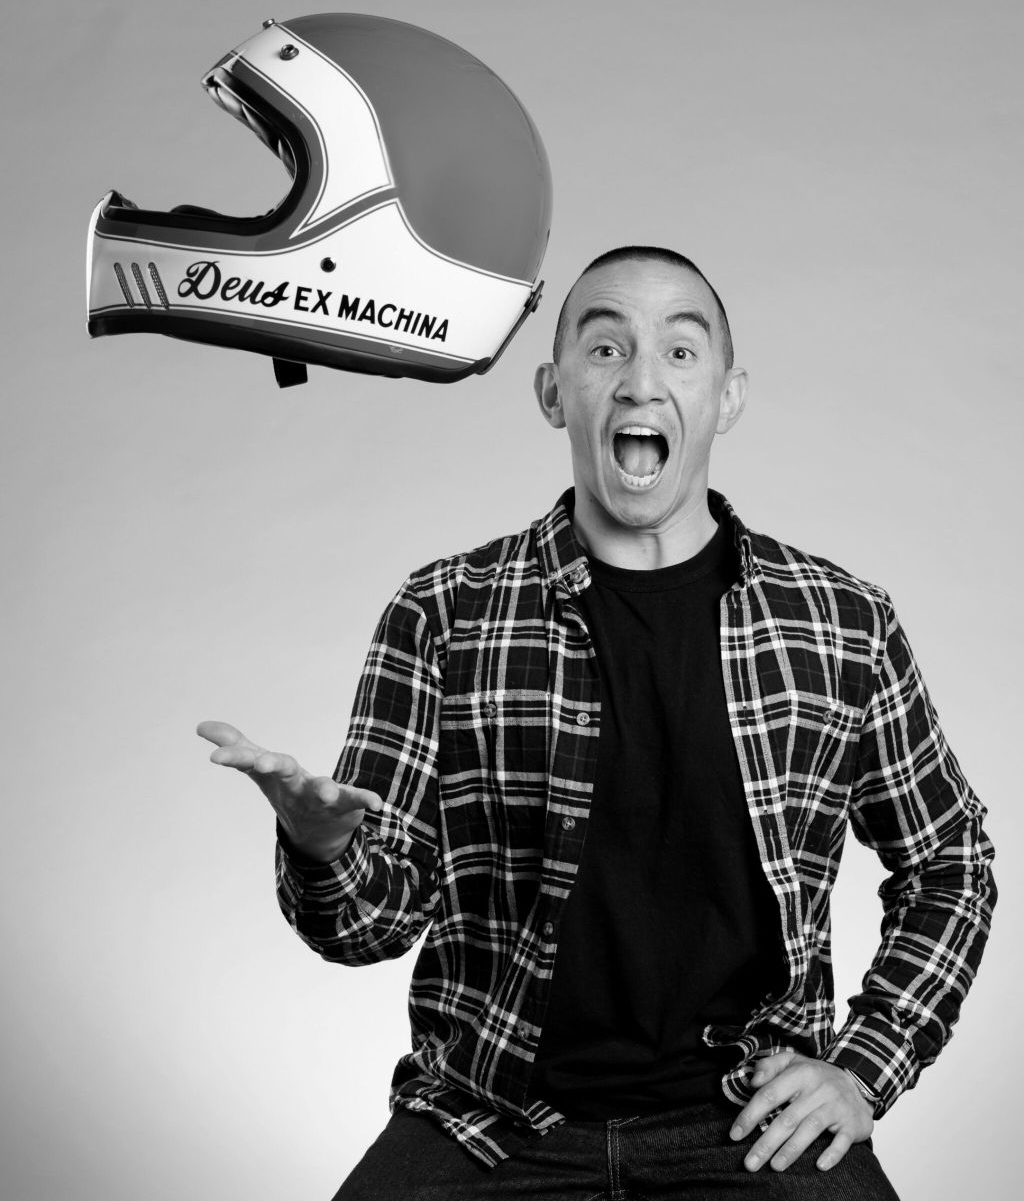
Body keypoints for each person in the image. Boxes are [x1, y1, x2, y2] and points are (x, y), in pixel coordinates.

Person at [198, 247, 997, 1199]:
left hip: (750, 1122)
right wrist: (322, 845)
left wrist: (865, 1068)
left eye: (680, 352)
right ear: (553, 392)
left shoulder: (839, 622)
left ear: (728, 398)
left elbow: (952, 860)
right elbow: (371, 926)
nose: (641, 382)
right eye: (606, 349)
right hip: (489, 1118)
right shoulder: (446, 612)